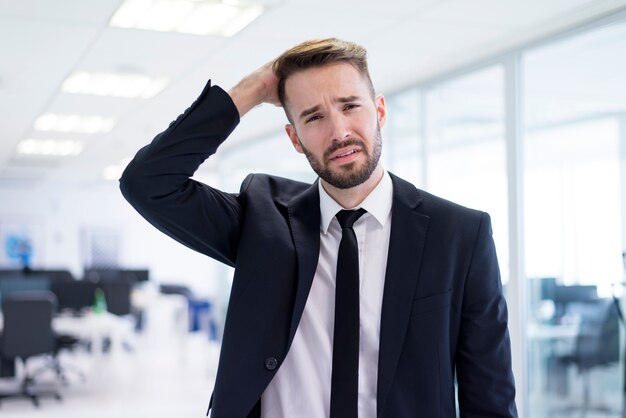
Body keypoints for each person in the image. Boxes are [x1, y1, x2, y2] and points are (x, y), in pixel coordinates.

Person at [120, 38, 517, 418]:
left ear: (379, 111)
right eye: (314, 116)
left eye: (350, 106)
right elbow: (147, 182)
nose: (339, 131)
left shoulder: (461, 234)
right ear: (295, 138)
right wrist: (252, 91)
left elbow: (490, 399)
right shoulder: (263, 219)